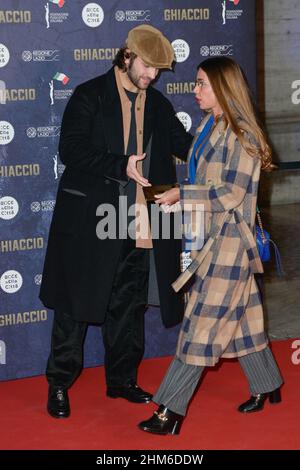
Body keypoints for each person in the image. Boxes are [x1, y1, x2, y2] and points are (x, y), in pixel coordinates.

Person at [40, 24, 193, 419]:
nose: (152, 76)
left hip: (142, 220)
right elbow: (70, 150)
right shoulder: (90, 95)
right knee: (75, 304)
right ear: (126, 56)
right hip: (93, 217)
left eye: (158, 70)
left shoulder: (157, 104)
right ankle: (59, 383)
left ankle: (121, 380)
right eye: (147, 67)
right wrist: (120, 166)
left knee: (129, 303)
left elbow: (185, 145)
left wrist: (225, 136)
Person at [138, 57, 283, 435]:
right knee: (246, 322)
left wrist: (180, 194)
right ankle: (269, 384)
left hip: (230, 244)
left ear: (223, 87)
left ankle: (169, 411)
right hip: (209, 238)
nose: (196, 90)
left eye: (202, 83)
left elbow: (233, 193)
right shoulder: (210, 124)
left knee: (198, 328)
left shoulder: (242, 135)